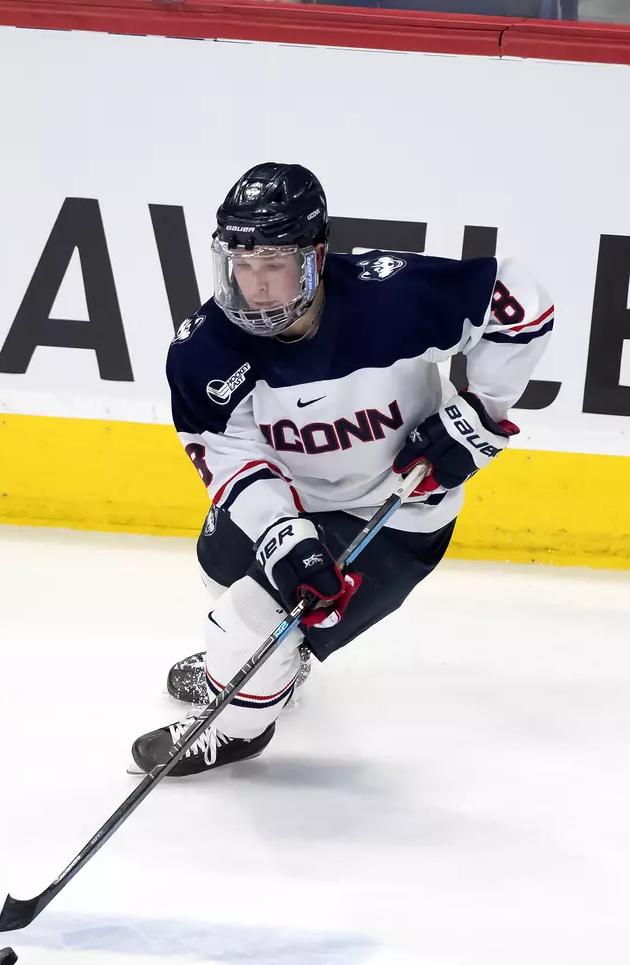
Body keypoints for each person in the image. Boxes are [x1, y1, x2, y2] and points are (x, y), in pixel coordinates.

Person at [128, 163, 554, 777]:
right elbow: (227, 454)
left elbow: (519, 300)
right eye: (241, 265)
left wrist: (481, 411)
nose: (257, 287)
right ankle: (270, 666)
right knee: (218, 564)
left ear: (316, 256)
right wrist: (282, 532)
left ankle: (239, 729)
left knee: (248, 620)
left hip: (398, 509)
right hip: (297, 497)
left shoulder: (391, 299)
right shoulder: (204, 350)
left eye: (274, 264)